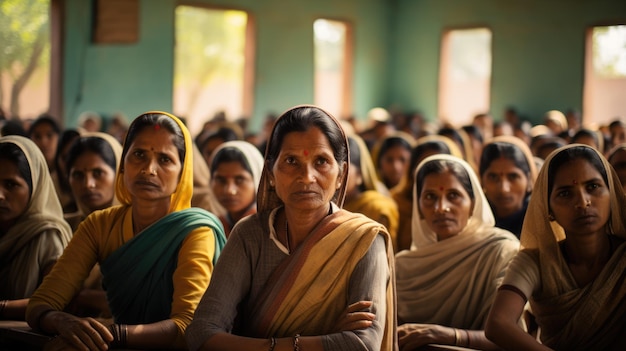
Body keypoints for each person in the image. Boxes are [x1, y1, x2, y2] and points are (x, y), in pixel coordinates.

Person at [186, 105, 397, 351]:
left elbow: (362, 343)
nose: (307, 176)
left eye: (321, 161)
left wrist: (251, 343)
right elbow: (200, 333)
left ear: (342, 175)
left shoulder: (363, 239)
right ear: (271, 174)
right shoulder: (250, 234)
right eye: (291, 161)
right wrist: (324, 338)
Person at [26, 111, 227, 350]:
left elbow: (187, 326)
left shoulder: (194, 232)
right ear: (123, 164)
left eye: (165, 160)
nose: (149, 169)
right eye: (139, 155)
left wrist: (113, 334)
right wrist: (64, 322)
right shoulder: (99, 225)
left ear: (182, 173)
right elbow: (41, 303)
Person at [485, 144, 626, 350]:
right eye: (565, 193)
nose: (582, 202)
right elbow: (498, 324)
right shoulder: (536, 261)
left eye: (593, 187)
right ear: (548, 208)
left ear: (611, 193)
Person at [396, 154, 519, 350]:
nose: (441, 208)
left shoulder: (501, 250)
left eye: (453, 195)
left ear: (473, 203)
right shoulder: (403, 266)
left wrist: (450, 336)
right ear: (418, 206)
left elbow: (514, 337)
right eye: (430, 197)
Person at [0, 136, 72, 320]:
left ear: (35, 187)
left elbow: (56, 300)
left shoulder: (47, 235)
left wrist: (3, 308)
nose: (0, 195)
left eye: (11, 185)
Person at [392, 135, 462, 252]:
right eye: (425, 166)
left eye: (439, 166)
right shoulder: (395, 204)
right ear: (412, 170)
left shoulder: (465, 206)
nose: (440, 208)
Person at [344, 134, 399, 250]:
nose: (335, 176)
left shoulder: (377, 209)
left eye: (344, 169)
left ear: (359, 174)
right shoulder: (321, 209)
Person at [479, 136, 538, 238]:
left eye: (513, 177)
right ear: (481, 180)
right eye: (493, 177)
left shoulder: (542, 225)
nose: (503, 189)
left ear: (529, 180)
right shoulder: (471, 225)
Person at [64, 133, 122, 230]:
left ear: (118, 173)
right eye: (78, 175)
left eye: (98, 173)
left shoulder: (140, 229)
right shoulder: (63, 230)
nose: (88, 184)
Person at [209, 140, 264, 237]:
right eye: (221, 180)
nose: (230, 191)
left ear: (258, 180)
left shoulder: (267, 228)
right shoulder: (214, 226)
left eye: (240, 180)